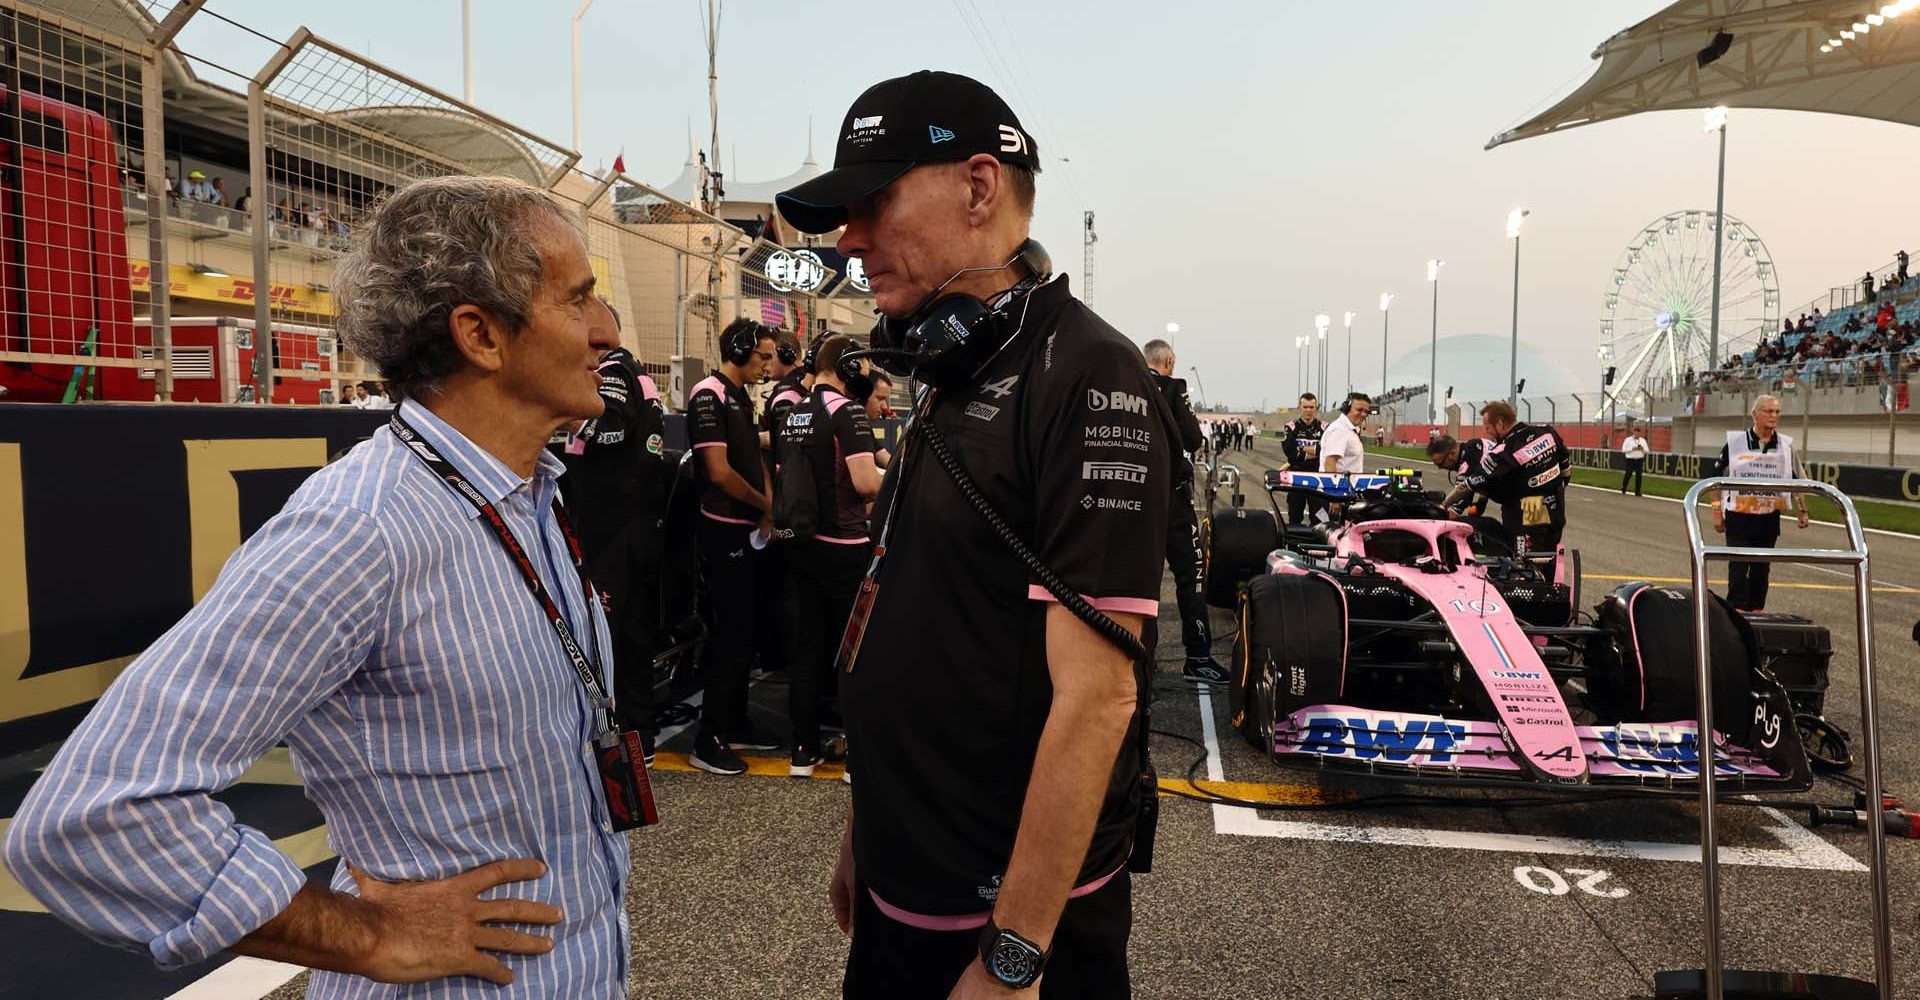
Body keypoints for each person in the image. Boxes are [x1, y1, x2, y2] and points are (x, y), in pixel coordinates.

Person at [3, 175, 633, 996]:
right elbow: (91, 818)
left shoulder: (528, 492)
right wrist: (365, 936)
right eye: (578, 299)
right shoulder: (361, 527)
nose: (605, 333)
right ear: (481, 334)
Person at [777, 69, 1167, 997]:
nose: (851, 240)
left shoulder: (1088, 372)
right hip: (903, 873)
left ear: (979, 186)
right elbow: (897, 603)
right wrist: (864, 835)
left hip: (1003, 921)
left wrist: (1017, 952)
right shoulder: (949, 369)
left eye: (874, 204)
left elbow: (1100, 697)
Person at [549, 302, 671, 763]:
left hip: (612, 528)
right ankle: (640, 737)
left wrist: (568, 415)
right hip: (634, 524)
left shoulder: (615, 368)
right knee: (633, 636)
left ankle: (616, 739)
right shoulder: (636, 371)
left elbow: (610, 430)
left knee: (609, 637)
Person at [772, 334, 882, 775]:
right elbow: (864, 483)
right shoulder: (849, 412)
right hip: (845, 548)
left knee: (809, 647)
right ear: (849, 367)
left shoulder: (793, 411)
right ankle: (858, 755)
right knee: (853, 652)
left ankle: (803, 750)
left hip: (800, 545)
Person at [685, 317, 780, 775]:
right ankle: (709, 739)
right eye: (761, 355)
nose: (767, 364)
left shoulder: (742, 397)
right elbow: (719, 471)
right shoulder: (710, 393)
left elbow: (754, 457)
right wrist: (764, 504)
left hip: (750, 527)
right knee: (731, 635)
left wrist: (769, 508)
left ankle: (736, 721)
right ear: (739, 351)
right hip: (723, 528)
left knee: (748, 633)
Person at [1143, 338, 1226, 684]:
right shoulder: (1175, 388)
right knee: (1190, 576)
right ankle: (1198, 657)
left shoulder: (1128, 383)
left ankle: (1141, 663)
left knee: (1140, 581)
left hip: (1136, 498)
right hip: (1173, 500)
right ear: (1170, 361)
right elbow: (1193, 439)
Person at [1711, 394, 1809, 612]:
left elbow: (1797, 479)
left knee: (1762, 567)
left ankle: (1757, 609)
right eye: (1769, 411)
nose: (1774, 416)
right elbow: (1715, 479)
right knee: (1738, 565)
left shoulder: (1786, 445)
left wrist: (1802, 510)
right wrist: (1717, 511)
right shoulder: (1735, 443)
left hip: (1768, 514)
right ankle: (1735, 609)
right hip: (1739, 513)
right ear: (1755, 414)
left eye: (1777, 412)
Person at [1476, 400, 1571, 554]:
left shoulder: (1505, 448)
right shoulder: (1547, 431)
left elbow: (1480, 480)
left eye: (1488, 427)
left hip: (1530, 509)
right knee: (1548, 558)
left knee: (1526, 565)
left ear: (1499, 423)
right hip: (1556, 508)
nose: (1487, 432)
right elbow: (1566, 469)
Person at [1279, 393, 1325, 525]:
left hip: (1318, 479)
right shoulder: (1291, 427)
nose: (1308, 410)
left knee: (1320, 520)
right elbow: (1291, 455)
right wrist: (1316, 451)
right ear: (1300, 407)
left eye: (1311, 407)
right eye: (1305, 407)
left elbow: (1326, 452)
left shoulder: (1325, 428)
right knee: (1295, 518)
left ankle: (1317, 545)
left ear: (1316, 408)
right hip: (1296, 478)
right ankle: (1294, 546)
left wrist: (1301, 448)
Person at [1426, 433, 1491, 518]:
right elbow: (1486, 475)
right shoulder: (1472, 445)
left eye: (1440, 464)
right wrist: (1482, 501)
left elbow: (1453, 511)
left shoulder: (1467, 465)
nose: (1440, 468)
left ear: (1452, 454)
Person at [1319, 391, 1372, 475]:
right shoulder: (1340, 430)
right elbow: (1330, 463)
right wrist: (1335, 486)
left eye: (1366, 412)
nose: (1363, 414)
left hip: (1349, 485)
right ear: (1347, 408)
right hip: (1341, 486)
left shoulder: (1348, 429)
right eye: (1359, 410)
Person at [1619, 421, 1649, 497]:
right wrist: (1632, 449)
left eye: (1638, 433)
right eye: (1635, 432)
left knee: (1639, 476)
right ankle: (1624, 487)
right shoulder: (1628, 440)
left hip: (1639, 459)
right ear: (1633, 432)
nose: (1637, 434)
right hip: (1630, 459)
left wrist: (1642, 449)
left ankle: (1637, 491)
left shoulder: (1643, 440)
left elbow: (1647, 451)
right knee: (1628, 474)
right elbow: (1623, 450)